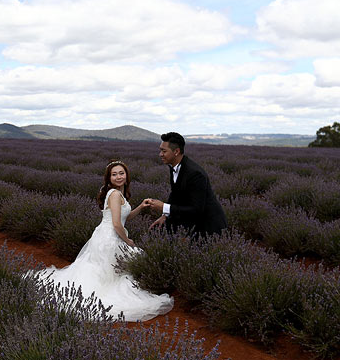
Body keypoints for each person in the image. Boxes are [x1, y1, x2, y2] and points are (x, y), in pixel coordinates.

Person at [34, 160, 174, 321]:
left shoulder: (118, 193)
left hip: (107, 236)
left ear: (127, 175)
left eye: (121, 173)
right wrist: (127, 241)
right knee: (120, 267)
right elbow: (116, 224)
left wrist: (141, 207)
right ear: (108, 179)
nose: (119, 177)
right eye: (114, 174)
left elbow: (124, 218)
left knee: (110, 269)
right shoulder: (114, 194)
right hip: (110, 238)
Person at [147, 132, 227, 235]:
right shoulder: (174, 166)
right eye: (160, 150)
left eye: (164, 151)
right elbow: (175, 193)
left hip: (209, 227)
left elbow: (196, 210)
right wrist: (165, 215)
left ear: (176, 151)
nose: (160, 154)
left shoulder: (195, 174)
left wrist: (164, 207)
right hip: (192, 222)